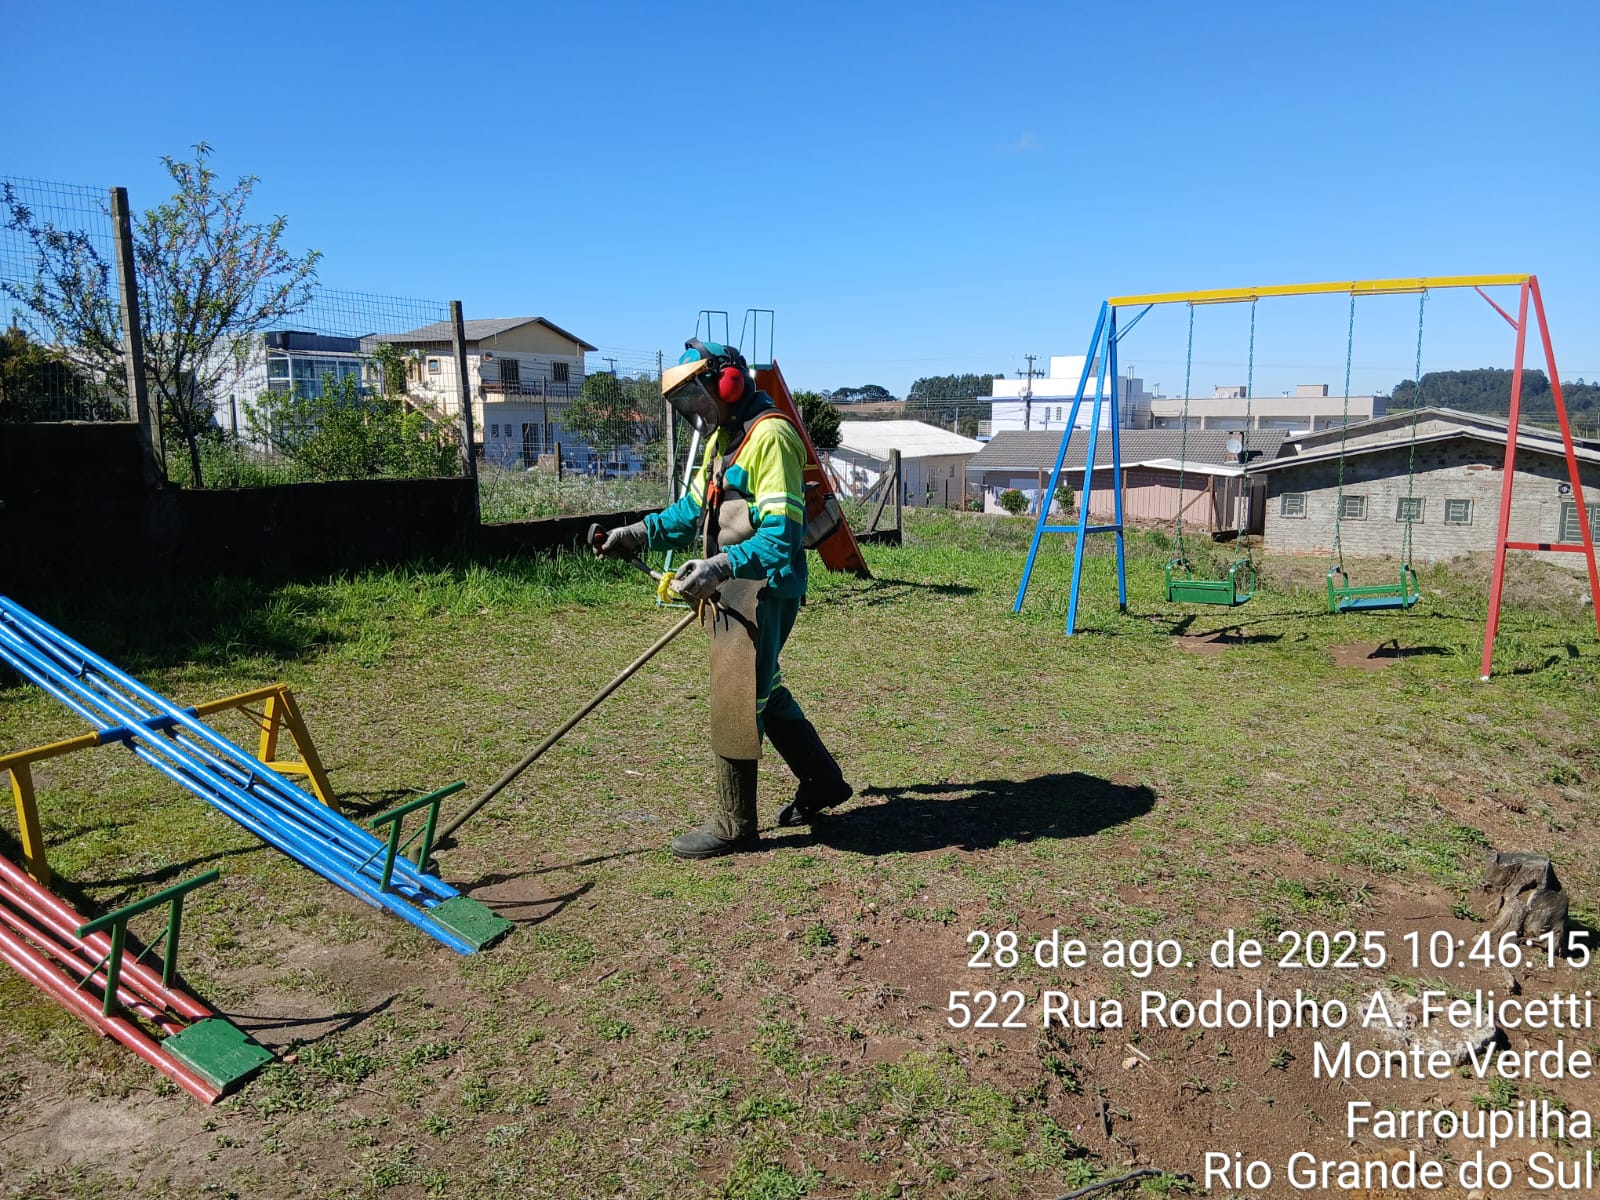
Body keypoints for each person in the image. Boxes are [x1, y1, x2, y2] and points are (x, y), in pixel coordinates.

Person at [596, 339, 851, 858]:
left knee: (738, 696)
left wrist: (719, 566)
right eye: (686, 403)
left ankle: (736, 825)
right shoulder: (723, 440)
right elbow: (691, 513)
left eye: (698, 397)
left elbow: (781, 536)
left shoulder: (771, 436)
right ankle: (823, 780)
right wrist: (637, 534)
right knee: (764, 684)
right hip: (733, 584)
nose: (696, 411)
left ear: (730, 384)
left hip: (765, 586)